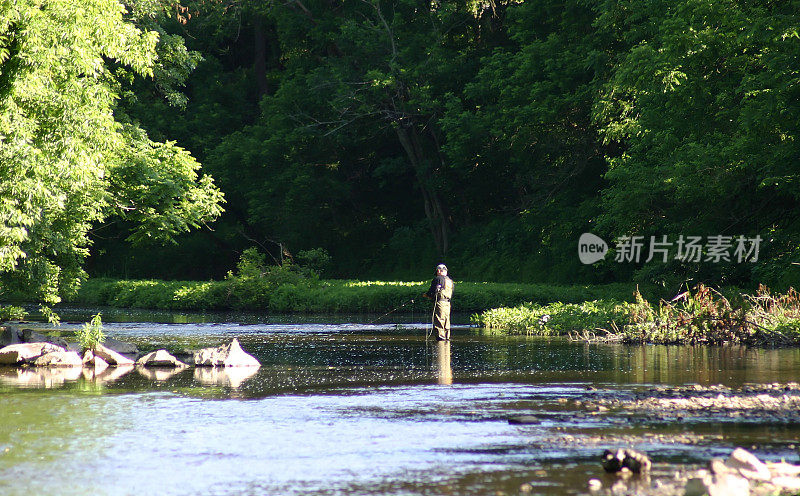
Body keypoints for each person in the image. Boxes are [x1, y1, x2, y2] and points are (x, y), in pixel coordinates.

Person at [422, 263, 454, 341]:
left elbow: (433, 291)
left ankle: (440, 337)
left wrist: (427, 295)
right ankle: (447, 337)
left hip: (440, 303)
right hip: (447, 303)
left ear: (439, 271)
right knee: (447, 320)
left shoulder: (438, 279)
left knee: (439, 319)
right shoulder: (450, 281)